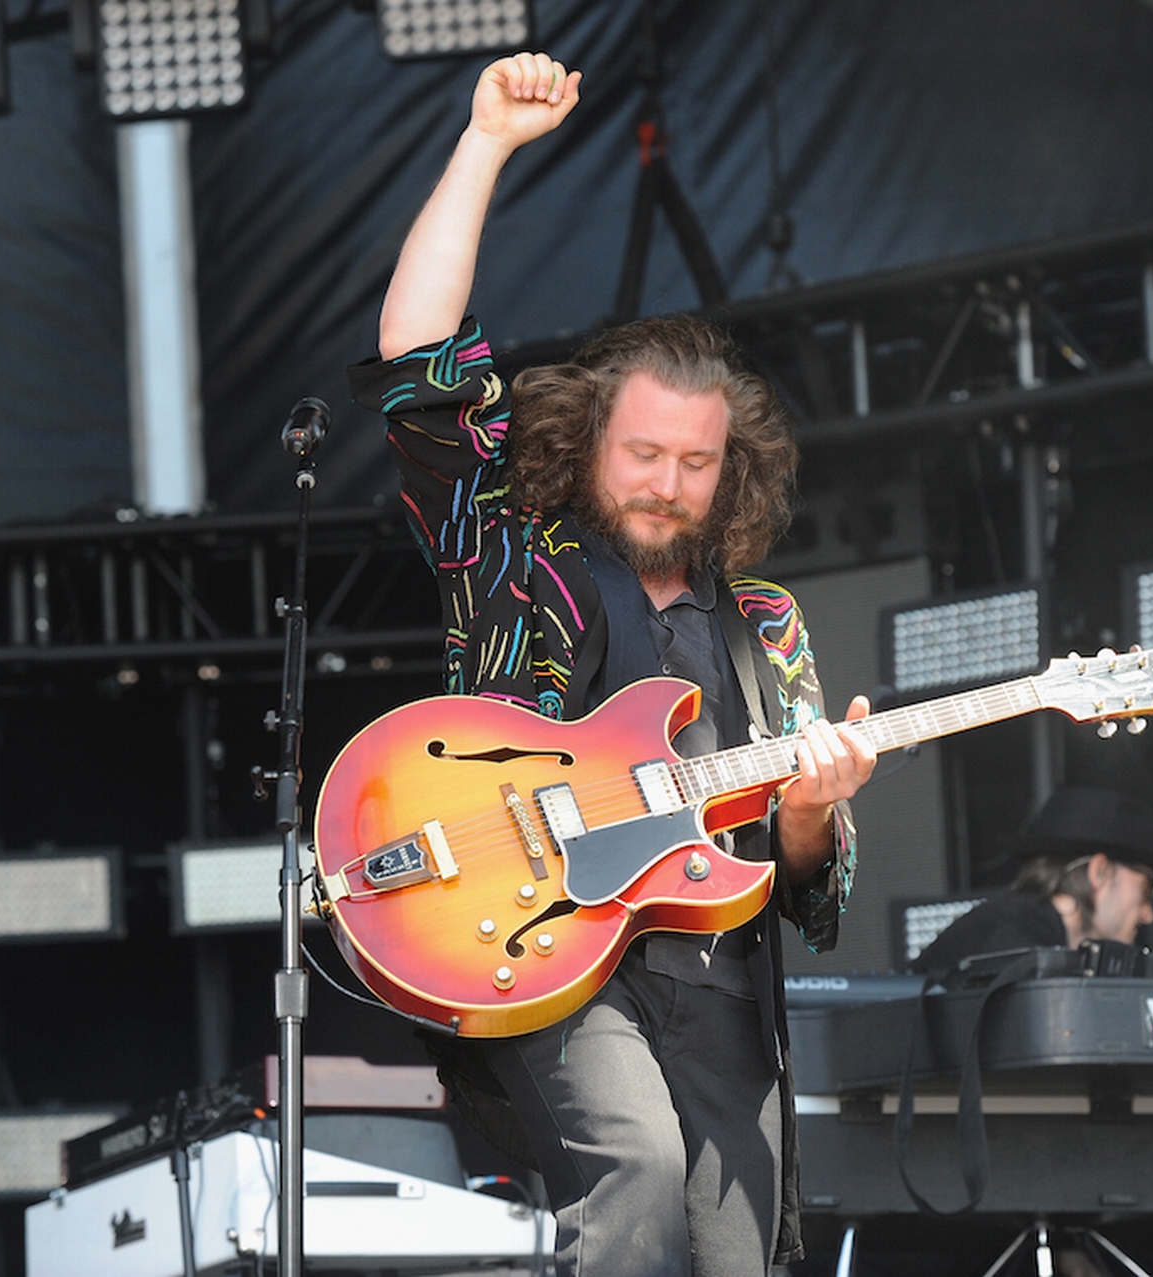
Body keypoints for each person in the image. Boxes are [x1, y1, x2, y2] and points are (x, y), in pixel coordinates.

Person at [345, 51, 880, 1277]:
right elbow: (418, 362)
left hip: (721, 983)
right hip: (551, 948)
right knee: (631, 1166)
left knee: (738, 1257)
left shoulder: (768, 625)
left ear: (728, 467)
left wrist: (809, 814)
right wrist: (484, 142)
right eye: (643, 453)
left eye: (695, 463)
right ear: (591, 443)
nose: (666, 483)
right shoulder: (511, 563)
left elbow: (816, 892)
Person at [911, 786, 1153, 974]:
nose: (1148, 914)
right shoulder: (1015, 941)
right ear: (1100, 872)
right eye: (1147, 888)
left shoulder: (1024, 928)